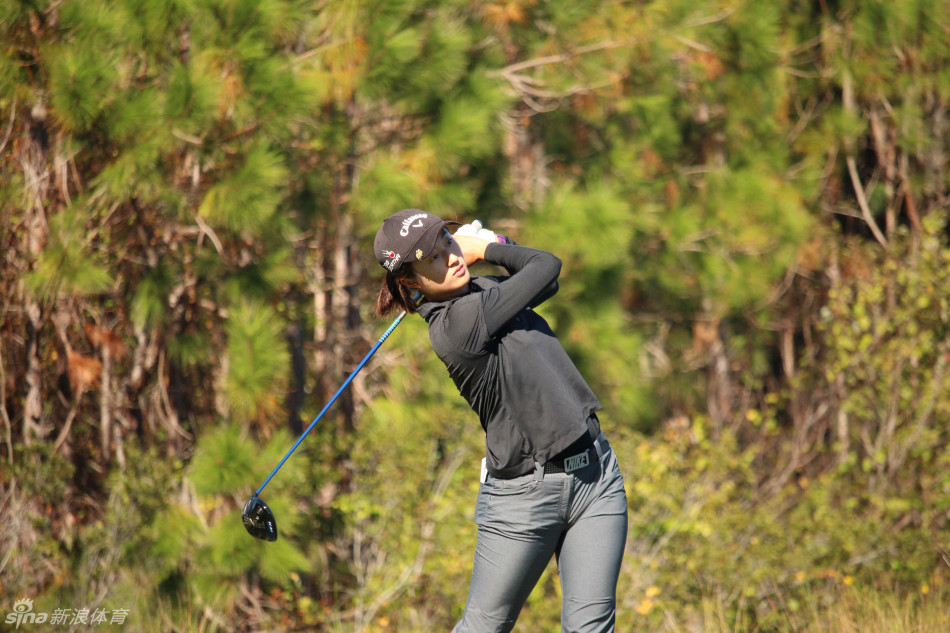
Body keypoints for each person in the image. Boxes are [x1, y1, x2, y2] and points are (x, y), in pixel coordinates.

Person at [372, 208, 628, 633]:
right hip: (524, 498)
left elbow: (546, 281)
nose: (452, 257)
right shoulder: (455, 326)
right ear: (411, 283)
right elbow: (546, 265)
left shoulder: (484, 291)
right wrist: (485, 247)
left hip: (595, 479)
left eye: (448, 244)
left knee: (592, 628)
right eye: (433, 257)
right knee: (483, 627)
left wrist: (500, 247)